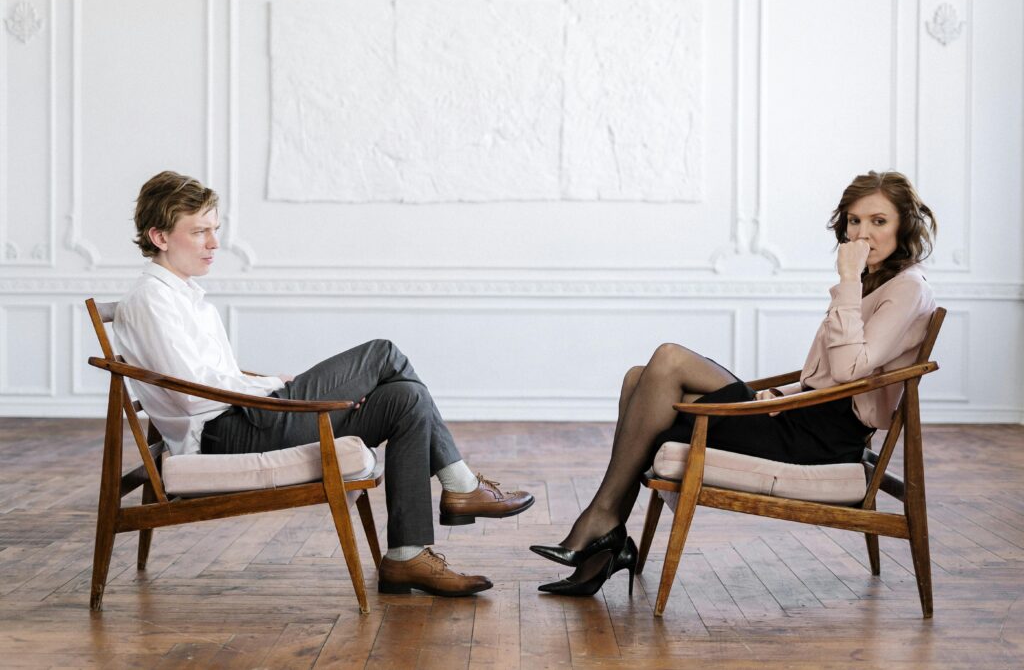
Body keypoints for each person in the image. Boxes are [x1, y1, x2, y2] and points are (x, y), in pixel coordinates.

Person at [113, 170, 534, 598]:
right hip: (227, 433)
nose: (214, 243)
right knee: (383, 353)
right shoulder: (151, 300)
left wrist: (274, 382)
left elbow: (205, 378)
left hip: (244, 414)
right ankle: (461, 487)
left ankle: (406, 555)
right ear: (160, 237)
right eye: (199, 231)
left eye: (214, 230)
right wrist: (272, 390)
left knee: (405, 398)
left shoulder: (184, 296)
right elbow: (189, 395)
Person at [530, 170, 938, 596]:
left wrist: (847, 281)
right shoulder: (877, 280)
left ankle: (603, 525)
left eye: (878, 221)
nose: (862, 233)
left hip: (818, 441)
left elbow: (850, 369)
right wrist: (777, 395)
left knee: (669, 359)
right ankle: (607, 532)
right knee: (640, 377)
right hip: (796, 416)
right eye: (854, 221)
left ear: (904, 225)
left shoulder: (906, 289)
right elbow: (828, 375)